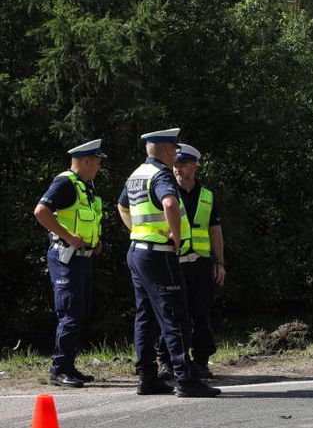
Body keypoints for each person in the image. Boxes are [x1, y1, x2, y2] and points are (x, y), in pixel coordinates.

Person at [116, 128, 220, 398]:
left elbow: (123, 206)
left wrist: (136, 230)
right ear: (164, 149)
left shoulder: (136, 175)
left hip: (137, 251)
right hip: (159, 253)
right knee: (175, 316)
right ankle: (185, 380)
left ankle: (147, 377)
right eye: (173, 149)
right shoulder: (160, 175)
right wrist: (174, 234)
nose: (175, 154)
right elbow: (171, 204)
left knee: (145, 316)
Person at [33, 139, 106, 388]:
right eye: (96, 162)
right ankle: (59, 369)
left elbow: (85, 219)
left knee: (80, 313)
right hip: (66, 258)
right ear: (85, 161)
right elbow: (41, 211)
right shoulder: (65, 182)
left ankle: (69, 366)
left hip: (82, 259)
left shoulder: (86, 186)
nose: (98, 166)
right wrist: (68, 237)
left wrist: (95, 241)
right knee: (70, 314)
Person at [155, 143, 224, 380]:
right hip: (173, 260)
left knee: (200, 313)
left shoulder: (207, 195)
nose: (177, 169)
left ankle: (201, 362)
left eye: (182, 165)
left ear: (194, 166)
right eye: (175, 165)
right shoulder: (165, 190)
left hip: (202, 263)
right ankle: (166, 362)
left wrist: (220, 263)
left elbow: (215, 230)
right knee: (171, 314)